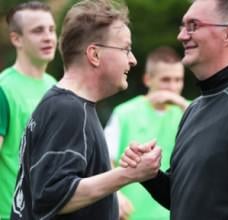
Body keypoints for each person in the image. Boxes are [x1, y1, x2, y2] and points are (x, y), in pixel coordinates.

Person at [10, 0, 162, 219]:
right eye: (126, 49)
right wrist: (128, 174)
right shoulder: (68, 110)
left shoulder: (70, 105)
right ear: (94, 54)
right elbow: (51, 195)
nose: (133, 60)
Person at [120, 0, 228, 219]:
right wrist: (148, 174)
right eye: (183, 26)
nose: (181, 35)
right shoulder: (193, 110)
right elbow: (179, 198)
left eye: (193, 26)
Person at [104, 46, 189, 220]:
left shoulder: (191, 111)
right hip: (133, 215)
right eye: (166, 79)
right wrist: (116, 195)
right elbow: (105, 158)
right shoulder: (124, 113)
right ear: (148, 79)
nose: (173, 87)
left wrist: (183, 105)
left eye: (178, 80)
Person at [0, 1, 57, 219]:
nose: (48, 37)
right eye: (37, 30)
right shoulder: (3, 89)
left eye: (51, 29)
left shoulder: (54, 86)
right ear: (16, 39)